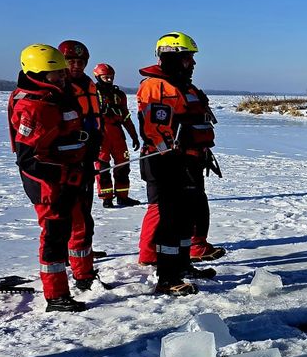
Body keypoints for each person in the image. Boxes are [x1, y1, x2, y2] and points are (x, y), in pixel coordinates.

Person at [6, 44, 96, 312]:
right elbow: (29, 159)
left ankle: (84, 276)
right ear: (38, 74)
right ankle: (56, 295)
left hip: (74, 176)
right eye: (56, 74)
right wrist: (61, 174)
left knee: (81, 226)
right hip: (50, 185)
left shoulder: (57, 97)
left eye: (62, 72)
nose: (63, 76)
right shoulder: (33, 107)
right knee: (55, 236)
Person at [135, 31, 222, 295]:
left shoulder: (187, 86)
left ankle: (184, 264)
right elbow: (155, 129)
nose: (192, 64)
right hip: (167, 162)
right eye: (187, 58)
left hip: (192, 160)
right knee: (171, 220)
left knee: (187, 218)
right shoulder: (156, 86)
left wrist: (202, 151)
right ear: (171, 58)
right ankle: (167, 276)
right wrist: (172, 154)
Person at [57, 40, 106, 275]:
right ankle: (72, 257)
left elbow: (96, 117)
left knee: (85, 209)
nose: (76, 66)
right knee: (71, 213)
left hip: (88, 152)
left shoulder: (89, 84)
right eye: (71, 61)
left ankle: (81, 250)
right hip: (67, 157)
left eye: (80, 62)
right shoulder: (59, 86)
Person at [92, 63, 142, 208]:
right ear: (98, 77)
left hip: (117, 134)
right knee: (103, 167)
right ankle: (106, 198)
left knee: (123, 166)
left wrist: (134, 136)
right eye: (105, 77)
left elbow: (126, 116)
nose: (108, 80)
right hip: (101, 134)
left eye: (111, 77)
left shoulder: (119, 95)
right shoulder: (93, 93)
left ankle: (122, 196)